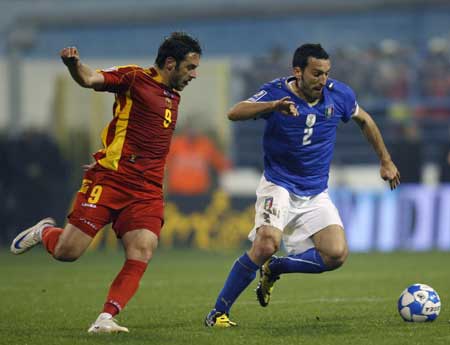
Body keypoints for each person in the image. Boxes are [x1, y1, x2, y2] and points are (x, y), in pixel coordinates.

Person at [10, 32, 201, 333]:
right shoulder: (134, 78)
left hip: (147, 189)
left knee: (143, 249)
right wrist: (74, 65)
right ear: (170, 63)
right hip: (112, 179)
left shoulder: (173, 95)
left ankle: (106, 318)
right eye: (190, 67)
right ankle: (45, 231)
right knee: (67, 252)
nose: (194, 74)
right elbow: (90, 79)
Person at [205, 43, 400, 327]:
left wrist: (385, 160)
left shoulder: (339, 94)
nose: (323, 80)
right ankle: (218, 313)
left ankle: (276, 268)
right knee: (266, 245)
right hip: (279, 185)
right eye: (316, 74)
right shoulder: (276, 92)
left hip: (315, 192)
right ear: (298, 72)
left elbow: (365, 120)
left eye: (326, 73)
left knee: (336, 255)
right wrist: (272, 107)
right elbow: (234, 112)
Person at [165, 121, 231, 213]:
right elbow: (163, 165)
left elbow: (222, 165)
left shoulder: (206, 145)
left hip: (200, 197)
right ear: (185, 129)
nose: (192, 131)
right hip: (177, 195)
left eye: (195, 129)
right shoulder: (175, 145)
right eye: (190, 128)